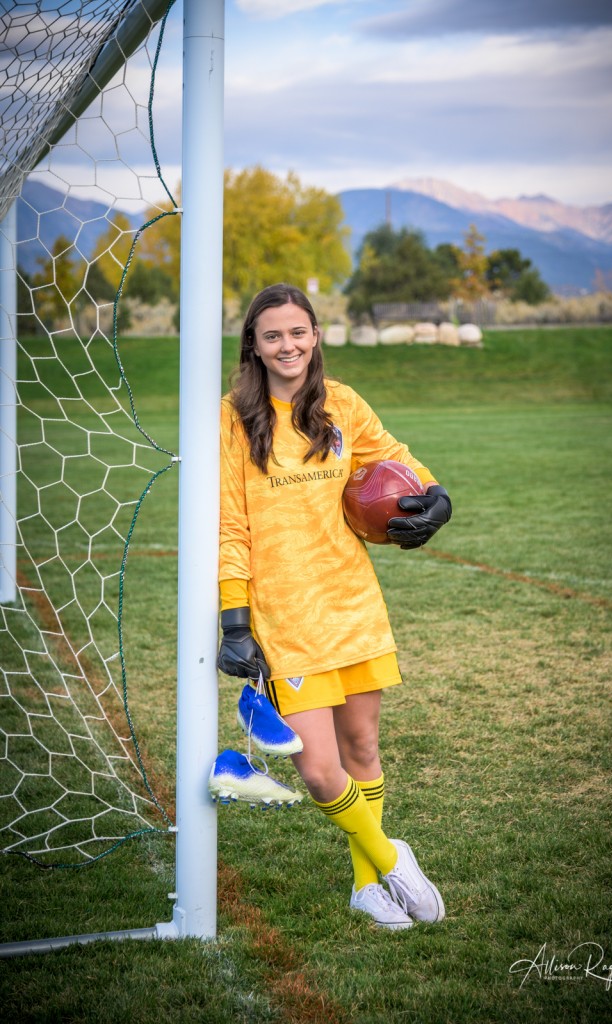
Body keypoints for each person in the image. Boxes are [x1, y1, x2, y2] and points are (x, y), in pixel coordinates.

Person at [212, 283, 452, 929]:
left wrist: (436, 494)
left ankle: (363, 886)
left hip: (350, 602)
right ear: (255, 347)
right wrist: (234, 618)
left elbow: (395, 459)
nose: (287, 345)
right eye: (272, 335)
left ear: (315, 335)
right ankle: (388, 856)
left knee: (363, 750)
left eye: (298, 332)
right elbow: (229, 526)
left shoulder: (341, 403)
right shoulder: (233, 418)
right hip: (283, 617)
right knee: (320, 772)